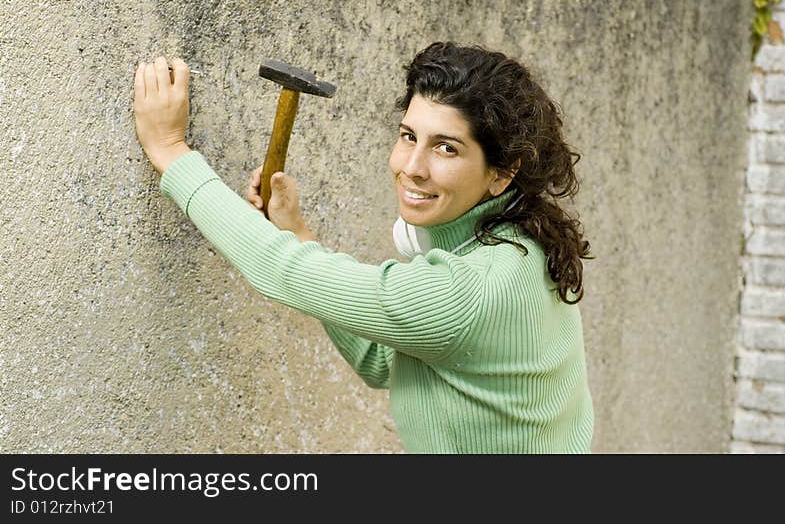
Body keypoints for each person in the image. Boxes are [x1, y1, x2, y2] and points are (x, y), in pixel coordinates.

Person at [133, 41, 594, 453]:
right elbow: (382, 360)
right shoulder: (517, 245)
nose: (412, 167)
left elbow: (278, 270)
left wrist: (172, 151)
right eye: (409, 136)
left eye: (447, 149)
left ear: (502, 171)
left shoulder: (471, 287)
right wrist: (296, 231)